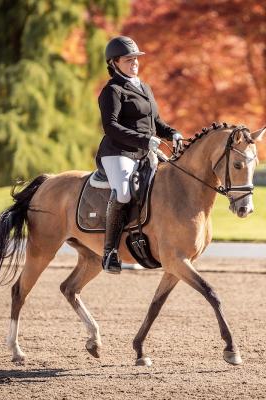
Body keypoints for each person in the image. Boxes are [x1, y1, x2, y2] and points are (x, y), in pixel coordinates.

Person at [96, 36, 183, 274]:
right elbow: (111, 127)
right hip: (118, 152)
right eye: (128, 59)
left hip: (145, 152)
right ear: (114, 63)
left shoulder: (144, 87)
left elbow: (155, 122)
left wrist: (172, 133)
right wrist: (144, 140)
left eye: (136, 59)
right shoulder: (112, 91)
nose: (134, 63)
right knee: (123, 193)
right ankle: (110, 252)